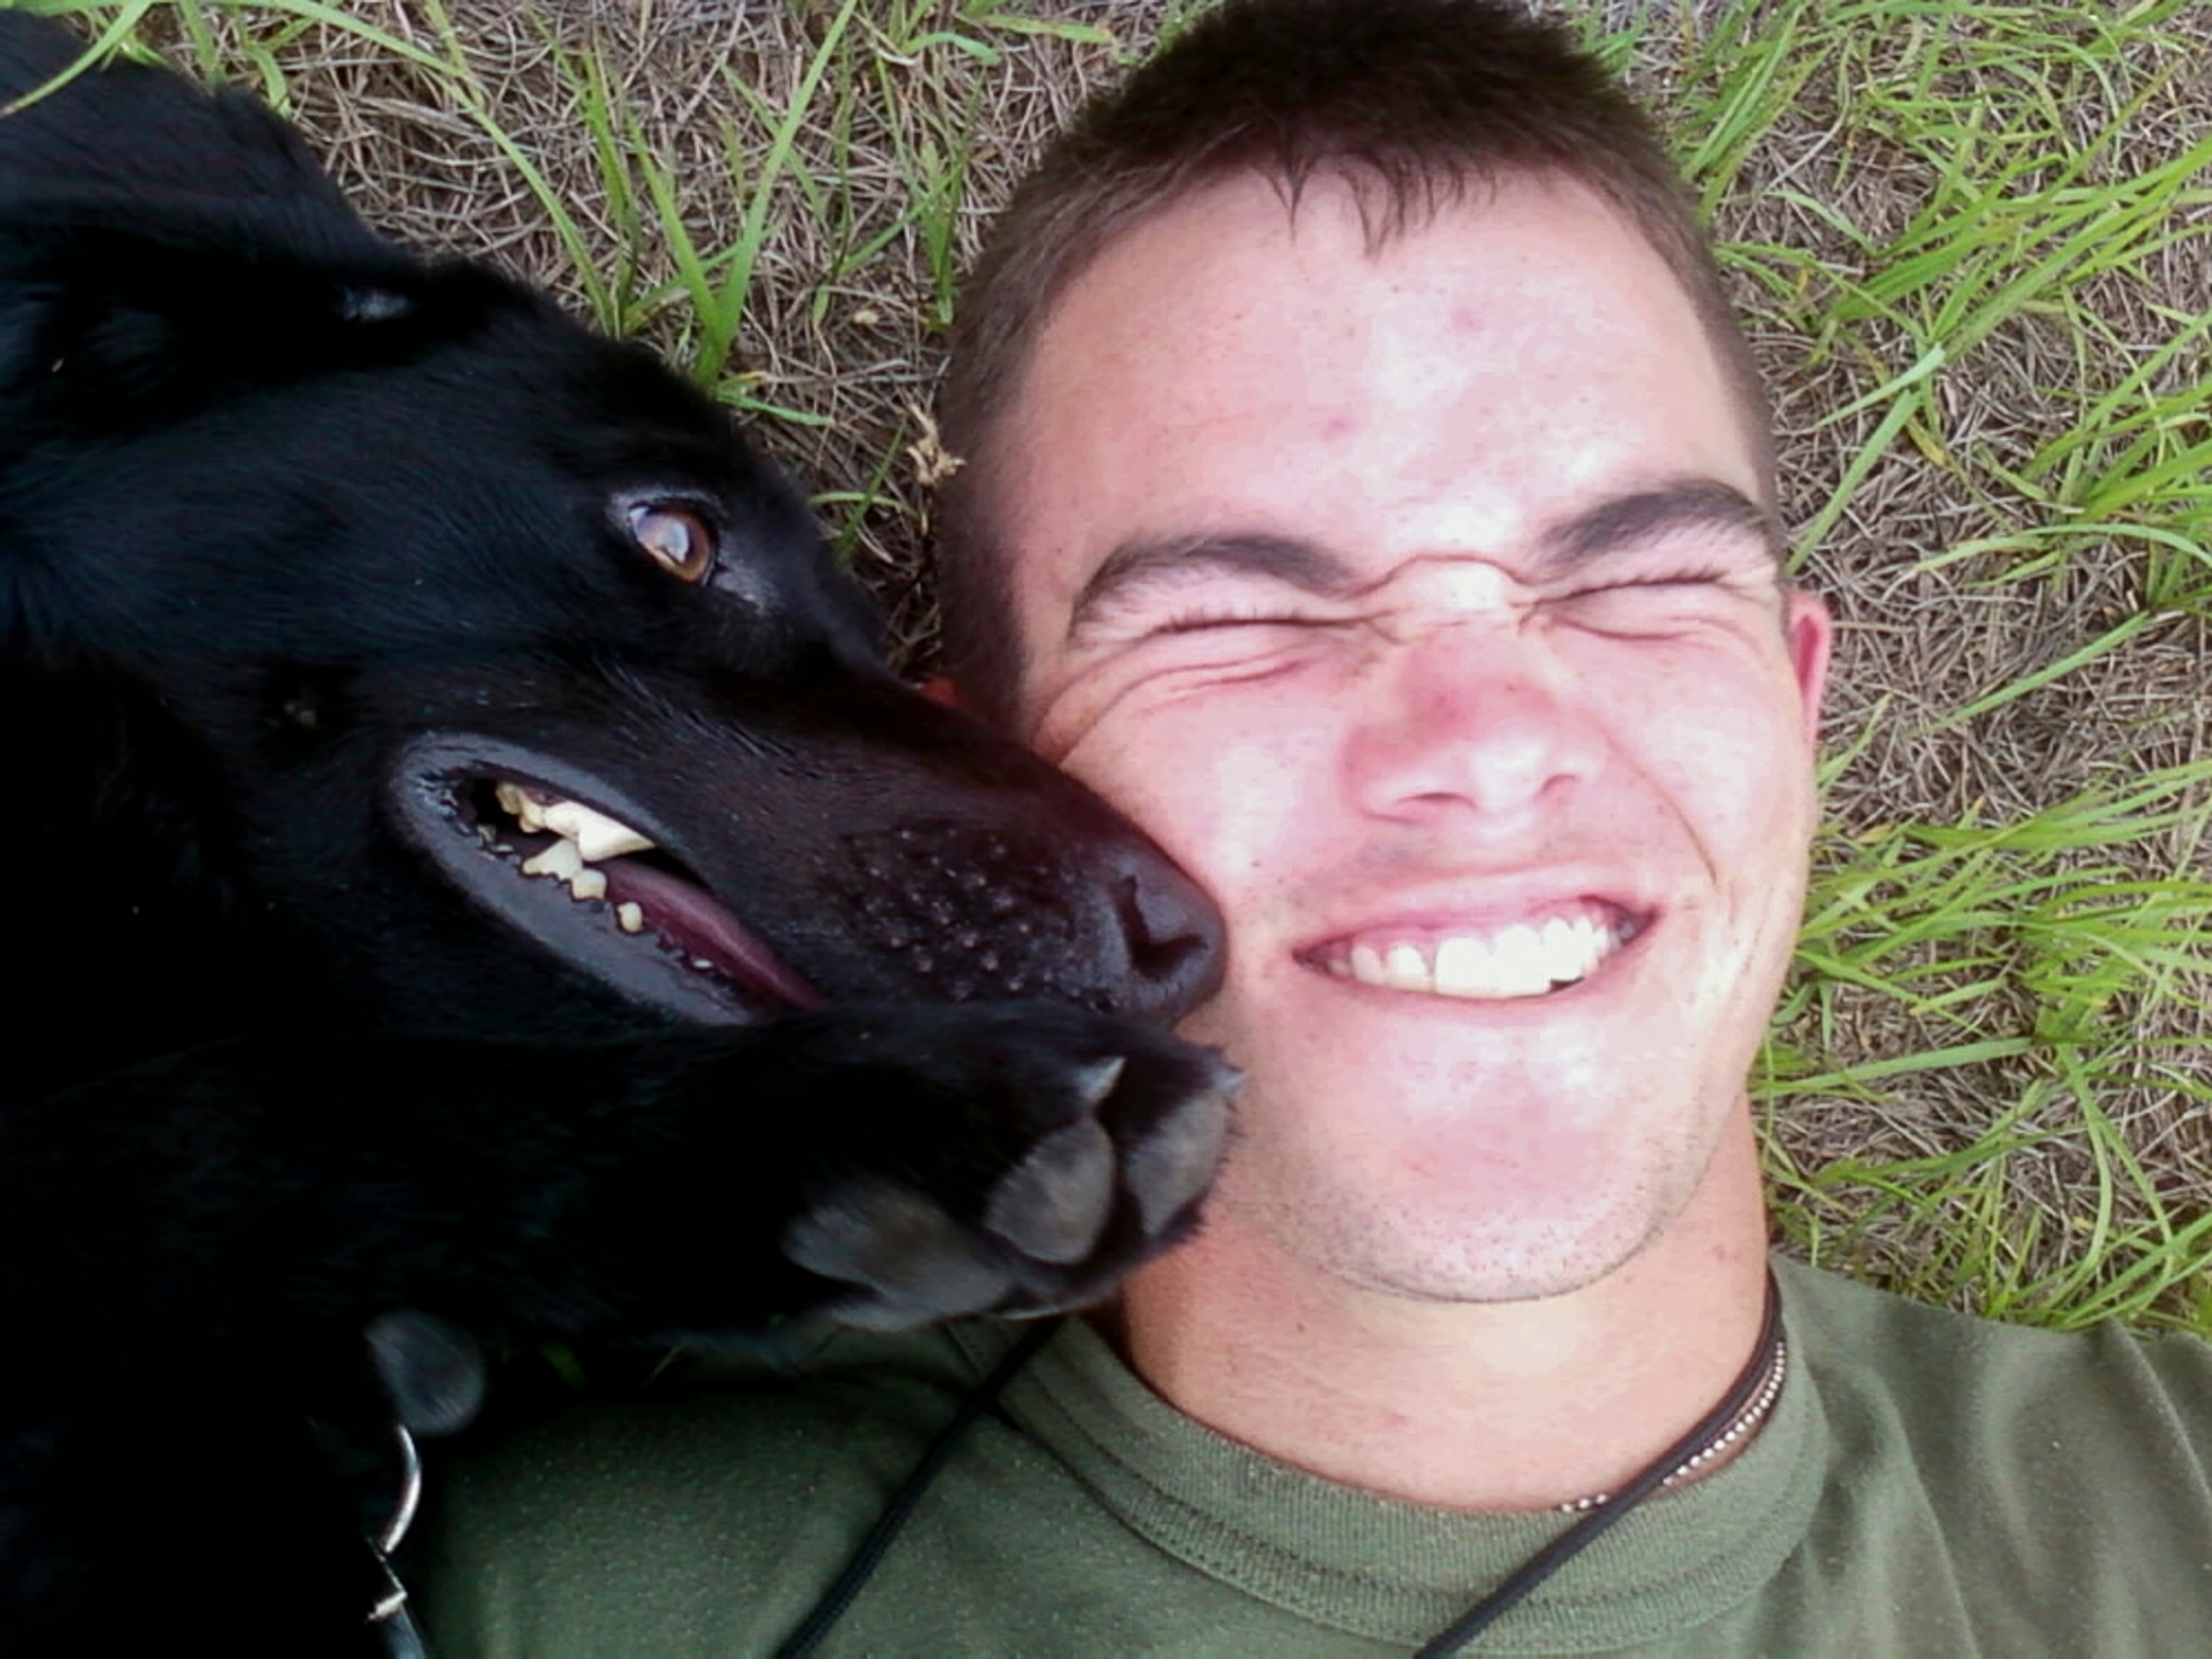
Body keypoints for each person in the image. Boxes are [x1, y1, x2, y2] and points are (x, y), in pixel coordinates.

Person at [420, 3, 2212, 1651]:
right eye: (1234, 620)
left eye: (1643, 581)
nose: (1492, 738)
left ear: (1794, 704)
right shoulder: (516, 1596)